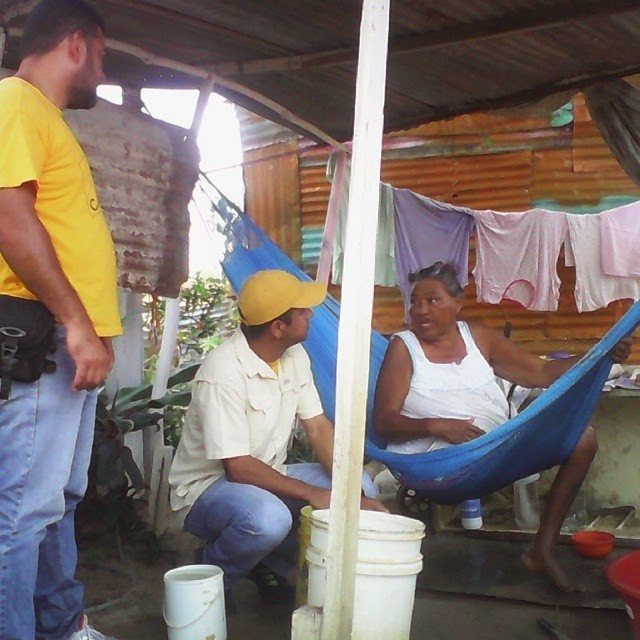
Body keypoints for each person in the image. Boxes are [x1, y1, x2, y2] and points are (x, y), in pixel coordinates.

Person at [373, 261, 631, 592]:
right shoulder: (404, 347)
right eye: (415, 301)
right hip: (439, 464)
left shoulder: (478, 337)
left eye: (433, 300)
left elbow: (540, 372)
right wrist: (437, 426)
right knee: (579, 438)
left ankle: (542, 550)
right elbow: (384, 421)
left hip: (496, 453)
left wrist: (601, 356)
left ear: (457, 303)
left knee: (584, 439)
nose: (421, 310)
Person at [0, 2, 121, 639]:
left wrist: (91, 333)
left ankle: (60, 626)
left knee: (57, 502)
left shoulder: (46, 120)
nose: (103, 70)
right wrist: (76, 323)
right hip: (44, 343)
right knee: (21, 513)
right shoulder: (14, 102)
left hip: (68, 355)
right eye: (102, 55)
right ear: (76, 44)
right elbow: (8, 217)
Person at [169, 269, 387, 608]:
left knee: (361, 487)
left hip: (266, 475)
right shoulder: (222, 371)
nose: (310, 315)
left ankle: (265, 563)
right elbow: (238, 468)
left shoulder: (294, 356)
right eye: (302, 311)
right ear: (277, 327)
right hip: (206, 489)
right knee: (270, 520)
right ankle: (212, 572)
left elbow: (318, 427)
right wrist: (315, 494)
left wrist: (348, 493)